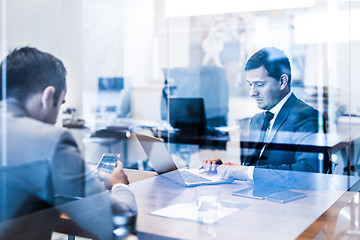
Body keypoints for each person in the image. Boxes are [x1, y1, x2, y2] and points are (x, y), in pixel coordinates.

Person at [0, 47, 136, 239]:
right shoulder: (50, 141)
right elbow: (115, 222)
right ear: (48, 97)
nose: (56, 117)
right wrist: (119, 186)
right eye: (61, 103)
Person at [202, 47, 327, 181]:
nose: (252, 92)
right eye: (250, 84)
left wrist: (247, 173)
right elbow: (252, 170)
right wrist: (227, 169)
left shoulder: (308, 117)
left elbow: (310, 172)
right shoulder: (257, 120)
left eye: (259, 84)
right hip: (257, 197)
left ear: (282, 82)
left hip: (290, 200)